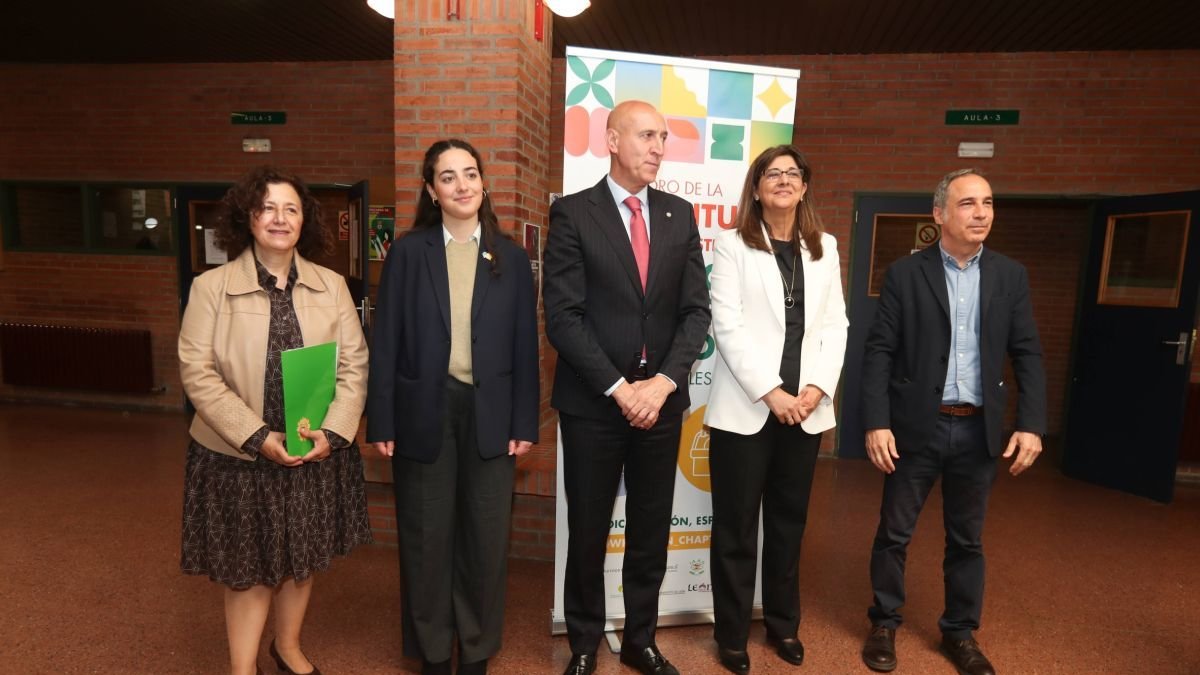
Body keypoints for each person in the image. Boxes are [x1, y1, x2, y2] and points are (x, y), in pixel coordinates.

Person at [179, 166, 372, 675]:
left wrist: (333, 432)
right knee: (249, 572)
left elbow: (354, 365)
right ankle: (242, 669)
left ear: (304, 220)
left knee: (300, 561)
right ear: (248, 217)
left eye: (291, 208)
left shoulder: (332, 286)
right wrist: (257, 436)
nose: (280, 218)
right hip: (238, 454)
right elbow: (197, 373)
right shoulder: (211, 288)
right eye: (268, 207)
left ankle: (286, 648)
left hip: (309, 449)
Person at [543, 100, 711, 675]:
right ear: (611, 139)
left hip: (661, 406)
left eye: (664, 137)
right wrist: (620, 388)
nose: (659, 147)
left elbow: (696, 313)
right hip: (594, 405)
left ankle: (640, 640)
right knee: (587, 531)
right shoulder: (572, 214)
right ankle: (586, 642)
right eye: (646, 135)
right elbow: (563, 318)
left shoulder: (679, 215)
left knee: (649, 529)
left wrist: (661, 384)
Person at [860, 169, 1046, 675]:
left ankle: (959, 634)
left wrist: (1031, 424)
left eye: (987, 202)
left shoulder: (1010, 275)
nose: (981, 212)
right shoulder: (905, 273)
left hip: (977, 430)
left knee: (967, 539)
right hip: (914, 428)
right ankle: (884, 623)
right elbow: (878, 352)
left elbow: (1027, 352)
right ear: (939, 213)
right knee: (894, 533)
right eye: (968, 203)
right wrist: (877, 421)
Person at [366, 139, 539, 675]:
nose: (462, 185)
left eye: (470, 174)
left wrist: (523, 420)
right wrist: (383, 417)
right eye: (448, 177)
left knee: (486, 542)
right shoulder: (409, 253)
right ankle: (435, 654)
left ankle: (477, 653)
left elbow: (523, 346)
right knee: (426, 539)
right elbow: (387, 339)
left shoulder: (509, 257)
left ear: (483, 184)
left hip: (491, 415)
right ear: (431, 191)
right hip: (424, 412)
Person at [704, 146, 848, 673]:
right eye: (773, 174)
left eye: (793, 174)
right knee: (736, 528)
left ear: (805, 187)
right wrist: (772, 391)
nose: (784, 181)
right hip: (748, 409)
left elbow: (836, 325)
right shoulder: (731, 246)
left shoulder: (824, 248)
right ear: (757, 188)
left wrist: (814, 388)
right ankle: (733, 635)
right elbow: (728, 327)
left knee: (789, 525)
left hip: (805, 410)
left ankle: (784, 627)